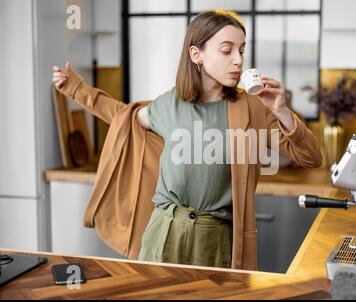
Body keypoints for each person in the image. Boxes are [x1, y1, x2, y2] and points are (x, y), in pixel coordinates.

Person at [52, 10, 322, 270]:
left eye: (241, 50)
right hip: (164, 230)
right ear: (197, 55)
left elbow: (311, 157)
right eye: (227, 51)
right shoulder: (170, 105)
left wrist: (282, 112)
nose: (238, 60)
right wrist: (77, 89)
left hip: (216, 239)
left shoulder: (253, 108)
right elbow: (123, 115)